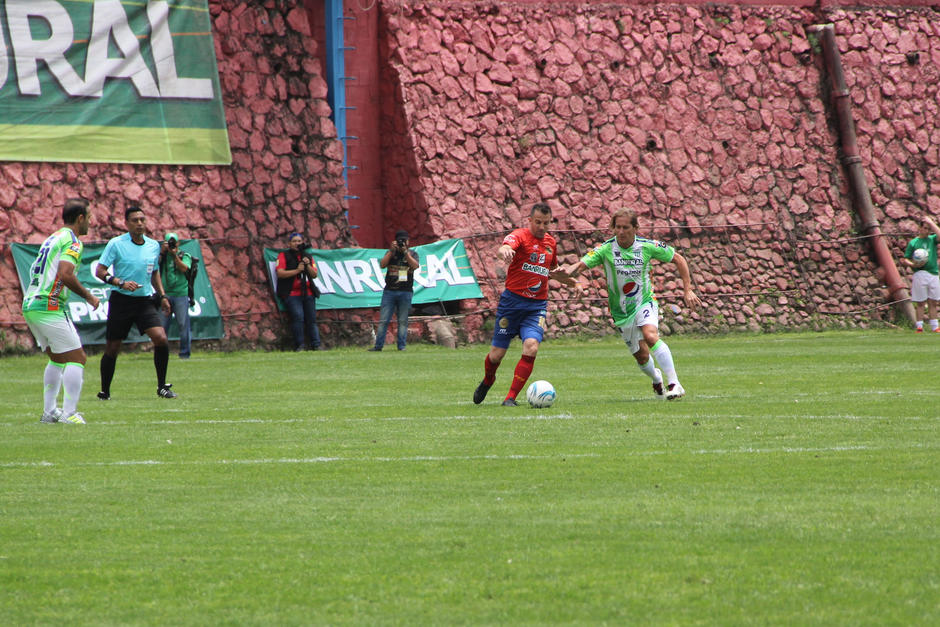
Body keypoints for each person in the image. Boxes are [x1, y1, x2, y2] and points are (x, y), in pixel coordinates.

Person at [565, 208, 702, 400]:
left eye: (626, 227)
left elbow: (678, 258)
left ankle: (675, 383)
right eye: (617, 227)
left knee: (650, 335)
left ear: (635, 228)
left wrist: (687, 290)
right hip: (621, 312)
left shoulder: (647, 246)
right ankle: (656, 378)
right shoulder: (605, 249)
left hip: (644, 301)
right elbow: (579, 266)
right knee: (642, 357)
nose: (621, 231)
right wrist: (564, 272)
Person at [472, 203, 577, 406]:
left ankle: (510, 398)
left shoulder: (550, 243)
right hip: (511, 304)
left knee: (531, 347)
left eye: (546, 223)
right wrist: (505, 251)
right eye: (538, 222)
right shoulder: (520, 236)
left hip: (536, 307)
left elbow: (554, 272)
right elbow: (504, 248)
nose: (542, 227)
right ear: (529, 220)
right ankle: (488, 380)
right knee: (496, 355)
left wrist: (575, 284)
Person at [22, 198, 100, 424]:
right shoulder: (73, 242)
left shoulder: (53, 238)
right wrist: (88, 296)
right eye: (89, 217)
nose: (91, 222)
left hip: (31, 304)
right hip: (49, 305)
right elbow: (65, 273)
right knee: (77, 357)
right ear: (80, 218)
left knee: (57, 358)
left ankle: (49, 412)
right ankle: (69, 413)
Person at [94, 205, 177, 399]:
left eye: (142, 219)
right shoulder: (116, 244)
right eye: (135, 220)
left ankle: (162, 387)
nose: (139, 223)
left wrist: (162, 296)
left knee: (161, 338)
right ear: (127, 223)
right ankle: (105, 391)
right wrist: (120, 283)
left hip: (144, 302)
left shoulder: (153, 246)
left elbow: (154, 273)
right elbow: (100, 271)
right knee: (113, 347)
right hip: (121, 301)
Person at [369, 230, 420, 351]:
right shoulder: (391, 253)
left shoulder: (412, 254)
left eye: (404, 241)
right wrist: (391, 251)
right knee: (383, 320)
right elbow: (382, 265)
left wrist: (405, 253)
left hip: (406, 291)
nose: (402, 243)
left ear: (408, 242)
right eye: (400, 241)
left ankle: (401, 346)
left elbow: (415, 266)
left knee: (402, 320)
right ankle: (378, 346)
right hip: (390, 291)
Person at [276, 232, 322, 351]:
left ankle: (316, 344)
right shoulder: (283, 255)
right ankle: (300, 345)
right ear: (289, 243)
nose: (297, 243)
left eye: (299, 241)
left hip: (308, 292)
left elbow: (314, 274)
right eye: (294, 241)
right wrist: (297, 271)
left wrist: (307, 265)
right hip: (291, 293)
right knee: (298, 317)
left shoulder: (307, 256)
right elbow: (280, 273)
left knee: (311, 319)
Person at [902, 215, 940, 333]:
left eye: (929, 229)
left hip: (933, 274)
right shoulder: (914, 243)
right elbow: (905, 259)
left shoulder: (932, 239)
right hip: (920, 274)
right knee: (920, 302)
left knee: (933, 301)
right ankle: (919, 327)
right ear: (920, 228)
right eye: (925, 228)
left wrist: (931, 223)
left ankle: (935, 327)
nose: (927, 231)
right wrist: (913, 264)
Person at [159, 232, 194, 358]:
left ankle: (185, 353)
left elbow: (185, 268)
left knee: (183, 325)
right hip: (165, 295)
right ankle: (162, 354)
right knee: (162, 327)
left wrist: (174, 256)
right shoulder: (162, 256)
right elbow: (153, 267)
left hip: (181, 294)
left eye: (173, 243)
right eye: (168, 243)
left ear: (178, 243)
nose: (171, 245)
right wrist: (162, 253)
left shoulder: (184, 255)